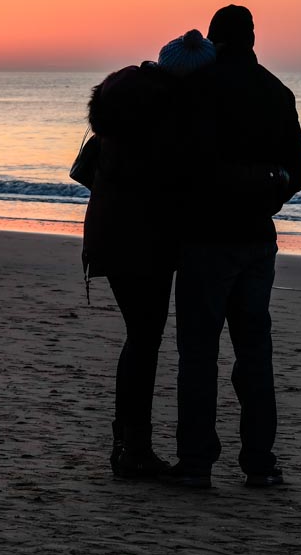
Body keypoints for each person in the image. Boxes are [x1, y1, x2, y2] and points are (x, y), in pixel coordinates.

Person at [169, 5, 301, 489]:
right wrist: (267, 198)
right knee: (254, 352)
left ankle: (195, 463)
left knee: (199, 353)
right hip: (256, 238)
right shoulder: (276, 91)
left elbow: (180, 165)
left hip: (205, 238)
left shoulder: (196, 89)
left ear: (212, 40)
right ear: (253, 38)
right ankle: (259, 462)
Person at [82, 30, 215, 479]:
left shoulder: (120, 94)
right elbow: (173, 179)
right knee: (145, 340)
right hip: (145, 241)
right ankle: (132, 449)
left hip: (107, 230)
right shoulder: (164, 111)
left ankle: (127, 443)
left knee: (139, 338)